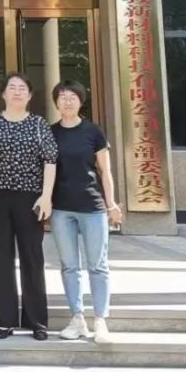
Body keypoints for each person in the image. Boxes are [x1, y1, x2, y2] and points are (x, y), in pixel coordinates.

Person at [0, 72, 58, 340]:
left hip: (30, 198)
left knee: (32, 257)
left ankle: (37, 322)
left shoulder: (38, 124)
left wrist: (46, 196)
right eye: (12, 87)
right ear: (3, 93)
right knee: (1, 257)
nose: (17, 92)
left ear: (30, 95)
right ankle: (4, 321)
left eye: (22, 88)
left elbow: (50, 160)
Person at [48, 79, 120, 344]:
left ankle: (100, 320)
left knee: (98, 265)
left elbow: (105, 171)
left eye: (72, 97)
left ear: (81, 101)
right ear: (56, 102)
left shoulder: (93, 132)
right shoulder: (50, 133)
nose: (67, 101)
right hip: (61, 208)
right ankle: (77, 318)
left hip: (93, 206)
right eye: (62, 97)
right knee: (69, 266)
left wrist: (111, 204)